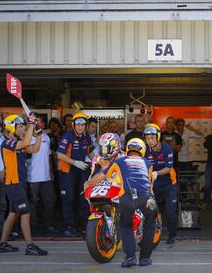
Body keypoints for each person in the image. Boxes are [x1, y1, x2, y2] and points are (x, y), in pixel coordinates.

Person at [85, 138, 157, 267]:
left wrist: (88, 184)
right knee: (151, 225)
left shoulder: (119, 162)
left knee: (126, 226)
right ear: (143, 150)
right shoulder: (148, 163)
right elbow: (150, 183)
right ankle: (145, 258)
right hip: (146, 198)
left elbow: (101, 176)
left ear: (127, 149)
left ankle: (130, 258)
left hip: (127, 198)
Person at [0, 113, 47, 255]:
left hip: (19, 183)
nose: (22, 129)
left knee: (13, 214)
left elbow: (34, 149)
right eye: (20, 127)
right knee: (26, 212)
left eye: (23, 126)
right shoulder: (7, 143)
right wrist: (31, 124)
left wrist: (39, 135)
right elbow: (25, 143)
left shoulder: (16, 142)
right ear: (10, 128)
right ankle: (30, 246)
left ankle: (2, 244)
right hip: (14, 184)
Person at [57, 112, 95, 237]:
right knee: (69, 199)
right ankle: (68, 227)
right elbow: (60, 155)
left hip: (80, 169)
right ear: (73, 125)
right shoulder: (67, 136)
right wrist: (74, 162)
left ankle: (81, 225)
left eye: (82, 124)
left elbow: (90, 152)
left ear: (86, 125)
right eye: (78, 124)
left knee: (82, 198)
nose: (80, 127)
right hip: (67, 170)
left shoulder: (86, 136)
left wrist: (98, 161)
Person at [144, 124, 177, 244]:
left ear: (157, 137)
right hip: (154, 184)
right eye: (147, 138)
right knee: (151, 210)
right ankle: (153, 234)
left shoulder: (167, 148)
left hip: (169, 183)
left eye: (152, 137)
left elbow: (169, 167)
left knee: (170, 211)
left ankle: (172, 235)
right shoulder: (145, 150)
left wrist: (156, 173)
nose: (150, 140)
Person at [26, 114, 56, 234]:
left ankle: (47, 225)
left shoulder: (46, 137)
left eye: (39, 122)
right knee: (33, 203)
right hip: (32, 176)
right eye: (35, 122)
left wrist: (51, 171)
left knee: (50, 201)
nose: (37, 125)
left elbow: (48, 155)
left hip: (46, 176)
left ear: (42, 125)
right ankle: (33, 227)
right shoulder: (26, 139)